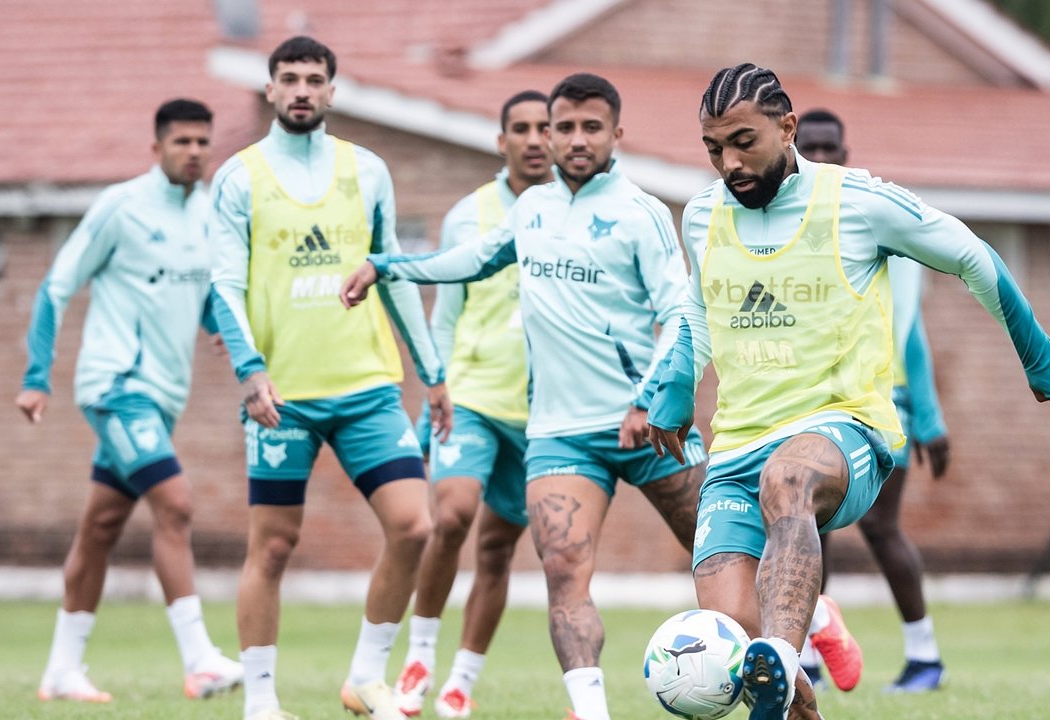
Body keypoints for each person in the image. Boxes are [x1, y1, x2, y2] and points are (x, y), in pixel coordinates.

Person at [646, 64, 1050, 720]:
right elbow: (699, 315)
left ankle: (785, 656)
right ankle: (792, 679)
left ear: (788, 126)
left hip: (844, 431)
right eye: (713, 149)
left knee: (787, 485)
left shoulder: (858, 202)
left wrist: (1035, 350)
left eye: (743, 142)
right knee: (733, 637)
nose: (728, 163)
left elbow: (969, 253)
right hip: (735, 451)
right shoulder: (703, 215)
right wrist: (676, 383)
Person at [341, 73, 707, 720]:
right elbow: (472, 257)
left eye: (590, 127)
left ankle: (810, 623)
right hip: (559, 433)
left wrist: (652, 397)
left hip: (647, 424)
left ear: (616, 134)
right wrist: (388, 265)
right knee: (563, 569)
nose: (573, 139)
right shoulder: (532, 209)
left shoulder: (641, 213)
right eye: (563, 126)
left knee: (718, 550)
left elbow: (679, 316)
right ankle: (590, 711)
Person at [207, 36, 451, 720]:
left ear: (333, 91)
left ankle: (365, 678)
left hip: (369, 388)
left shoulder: (367, 170)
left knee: (414, 527)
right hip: (281, 396)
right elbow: (223, 286)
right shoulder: (239, 177)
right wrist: (250, 370)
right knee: (274, 546)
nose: (303, 89)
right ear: (270, 90)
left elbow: (393, 269)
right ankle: (260, 700)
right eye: (290, 78)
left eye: (315, 78)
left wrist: (431, 372)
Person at [18, 99, 243, 704]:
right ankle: (199, 661)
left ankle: (63, 670)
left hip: (164, 399)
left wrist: (215, 325)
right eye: (182, 142)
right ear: (157, 149)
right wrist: (36, 375)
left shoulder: (208, 216)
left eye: (203, 142)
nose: (194, 152)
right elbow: (55, 286)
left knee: (100, 528)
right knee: (175, 504)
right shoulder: (121, 208)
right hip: (115, 388)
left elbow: (187, 291)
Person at [392, 90, 552, 719]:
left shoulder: (572, 214)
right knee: (450, 515)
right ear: (501, 140)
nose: (536, 139)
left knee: (496, 550)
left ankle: (460, 683)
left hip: (542, 412)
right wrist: (435, 382)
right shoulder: (470, 215)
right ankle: (420, 657)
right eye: (522, 128)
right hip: (472, 397)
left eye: (547, 127)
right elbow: (446, 312)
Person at [796, 108, 952, 693]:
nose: (818, 157)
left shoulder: (873, 219)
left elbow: (909, 330)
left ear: (844, 151)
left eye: (828, 147)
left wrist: (931, 419)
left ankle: (925, 656)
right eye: (808, 146)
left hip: (883, 410)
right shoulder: (788, 227)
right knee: (808, 531)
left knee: (883, 529)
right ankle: (809, 652)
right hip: (813, 406)